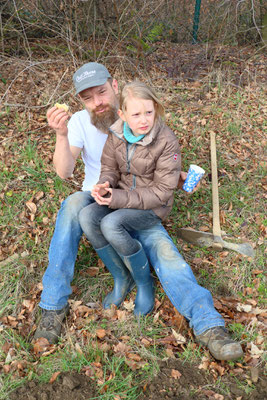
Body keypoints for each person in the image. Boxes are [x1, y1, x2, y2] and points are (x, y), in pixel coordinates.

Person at [34, 62, 243, 361]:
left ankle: (209, 325)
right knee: (72, 206)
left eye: (102, 92)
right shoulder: (81, 122)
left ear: (115, 86)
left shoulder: (140, 111)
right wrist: (62, 135)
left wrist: (174, 175)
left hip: (138, 204)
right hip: (100, 196)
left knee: (166, 253)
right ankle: (53, 305)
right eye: (88, 98)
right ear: (81, 101)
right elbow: (64, 171)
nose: (98, 102)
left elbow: (156, 156)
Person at [79, 81, 180, 317]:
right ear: (123, 114)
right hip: (123, 196)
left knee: (111, 224)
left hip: (153, 207)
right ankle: (121, 277)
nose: (143, 120)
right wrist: (105, 184)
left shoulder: (166, 141)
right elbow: (109, 168)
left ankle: (144, 282)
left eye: (148, 112)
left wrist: (118, 197)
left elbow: (162, 191)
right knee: (87, 216)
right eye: (136, 114)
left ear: (156, 109)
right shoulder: (116, 134)